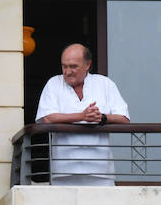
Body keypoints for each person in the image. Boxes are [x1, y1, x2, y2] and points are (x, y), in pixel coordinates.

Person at [35, 43, 131, 186]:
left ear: (87, 65)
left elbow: (124, 118)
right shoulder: (54, 83)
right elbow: (47, 117)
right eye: (64, 66)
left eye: (73, 66)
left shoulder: (105, 84)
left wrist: (102, 117)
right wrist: (82, 116)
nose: (67, 72)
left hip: (101, 171)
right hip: (63, 171)